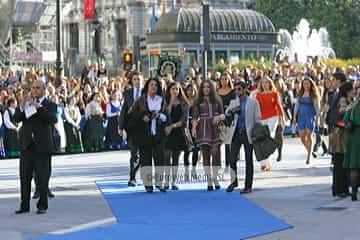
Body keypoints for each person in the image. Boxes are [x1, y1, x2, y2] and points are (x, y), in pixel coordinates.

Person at [14, 80, 57, 214]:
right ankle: (24, 205)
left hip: (42, 146)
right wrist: (21, 106)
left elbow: (52, 119)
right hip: (27, 145)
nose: (35, 90)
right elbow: (17, 118)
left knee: (42, 177)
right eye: (33, 88)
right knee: (24, 176)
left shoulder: (50, 104)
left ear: (44, 89)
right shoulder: (26, 104)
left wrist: (38, 107)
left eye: (38, 88)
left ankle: (42, 205)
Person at [128, 78, 167, 193]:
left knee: (159, 158)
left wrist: (159, 115)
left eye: (156, 85)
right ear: (147, 87)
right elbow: (131, 114)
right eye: (151, 85)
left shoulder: (162, 100)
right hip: (144, 134)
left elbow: (166, 117)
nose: (154, 87)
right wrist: (142, 117)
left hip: (158, 134)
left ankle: (159, 183)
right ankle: (148, 185)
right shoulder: (141, 100)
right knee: (146, 160)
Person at [225, 80, 261, 194]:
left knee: (248, 160)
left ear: (245, 89)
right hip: (236, 133)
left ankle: (248, 185)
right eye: (235, 89)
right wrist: (232, 111)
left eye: (239, 89)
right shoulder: (233, 102)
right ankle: (234, 181)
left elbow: (258, 119)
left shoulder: (253, 103)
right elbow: (227, 114)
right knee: (232, 159)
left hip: (248, 133)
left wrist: (257, 132)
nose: (237, 91)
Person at [192, 80, 225, 191]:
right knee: (206, 155)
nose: (206, 89)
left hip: (215, 128)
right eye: (204, 87)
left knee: (216, 155)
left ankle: (215, 178)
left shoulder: (217, 99)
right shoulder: (198, 101)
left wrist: (219, 117)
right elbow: (195, 116)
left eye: (208, 87)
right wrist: (194, 126)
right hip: (203, 129)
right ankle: (209, 181)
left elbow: (223, 113)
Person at [255, 76, 285, 171]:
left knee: (269, 138)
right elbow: (256, 108)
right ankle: (265, 163)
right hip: (262, 118)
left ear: (270, 83)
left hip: (273, 117)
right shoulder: (258, 95)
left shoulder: (274, 94)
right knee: (262, 140)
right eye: (263, 83)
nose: (265, 84)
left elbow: (279, 106)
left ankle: (266, 163)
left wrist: (282, 118)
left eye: (266, 82)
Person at [330, 82, 354, 198]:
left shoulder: (345, 99)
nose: (354, 91)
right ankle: (340, 189)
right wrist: (352, 107)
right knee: (341, 162)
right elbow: (342, 110)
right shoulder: (344, 100)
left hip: (340, 134)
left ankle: (341, 188)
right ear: (348, 90)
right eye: (352, 89)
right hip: (341, 135)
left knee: (341, 162)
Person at [119, 73, 143, 187]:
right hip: (131, 128)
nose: (137, 81)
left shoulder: (147, 92)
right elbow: (123, 111)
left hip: (145, 127)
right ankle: (132, 178)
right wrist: (120, 126)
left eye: (139, 79)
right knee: (134, 154)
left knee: (144, 154)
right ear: (132, 81)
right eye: (135, 79)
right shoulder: (128, 94)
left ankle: (143, 176)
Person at [164, 82, 189, 190]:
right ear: (169, 90)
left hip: (178, 132)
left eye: (177, 89)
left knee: (175, 158)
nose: (175, 91)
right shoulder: (165, 102)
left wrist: (172, 126)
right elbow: (165, 115)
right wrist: (170, 102)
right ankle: (166, 180)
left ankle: (173, 182)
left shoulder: (184, 103)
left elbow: (184, 120)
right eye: (173, 89)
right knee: (166, 158)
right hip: (167, 134)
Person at [292, 77, 320, 164]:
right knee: (302, 137)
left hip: (310, 117)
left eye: (307, 83)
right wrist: (294, 117)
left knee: (309, 136)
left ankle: (308, 157)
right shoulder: (300, 94)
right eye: (304, 84)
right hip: (301, 117)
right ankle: (310, 151)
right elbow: (296, 106)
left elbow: (317, 108)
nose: (306, 85)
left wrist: (317, 119)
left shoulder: (314, 95)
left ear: (311, 84)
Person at [217, 72, 236, 171]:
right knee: (218, 143)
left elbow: (234, 105)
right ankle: (218, 164)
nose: (224, 81)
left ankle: (228, 165)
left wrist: (228, 110)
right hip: (218, 119)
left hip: (229, 119)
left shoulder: (232, 92)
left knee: (228, 143)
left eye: (226, 79)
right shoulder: (216, 91)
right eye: (222, 79)